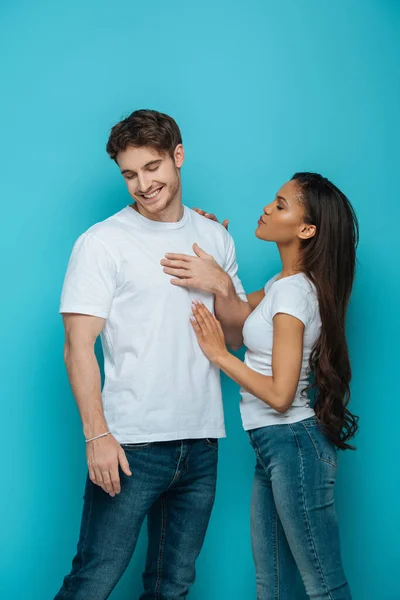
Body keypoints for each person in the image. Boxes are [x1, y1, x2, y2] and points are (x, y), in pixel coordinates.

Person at [54, 109, 247, 600]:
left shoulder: (215, 238)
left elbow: (236, 338)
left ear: (178, 157)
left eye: (153, 167)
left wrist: (221, 285)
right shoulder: (102, 242)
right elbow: (78, 346)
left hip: (202, 441)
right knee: (92, 581)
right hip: (131, 444)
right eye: (130, 174)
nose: (143, 183)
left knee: (173, 586)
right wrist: (96, 433)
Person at [163, 173, 359, 599]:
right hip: (274, 447)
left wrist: (220, 356)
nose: (268, 208)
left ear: (306, 230)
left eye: (281, 205)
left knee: (323, 585)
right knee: (272, 585)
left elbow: (279, 394)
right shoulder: (280, 287)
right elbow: (232, 307)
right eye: (274, 199)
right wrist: (214, 246)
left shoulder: (292, 297)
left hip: (293, 445)